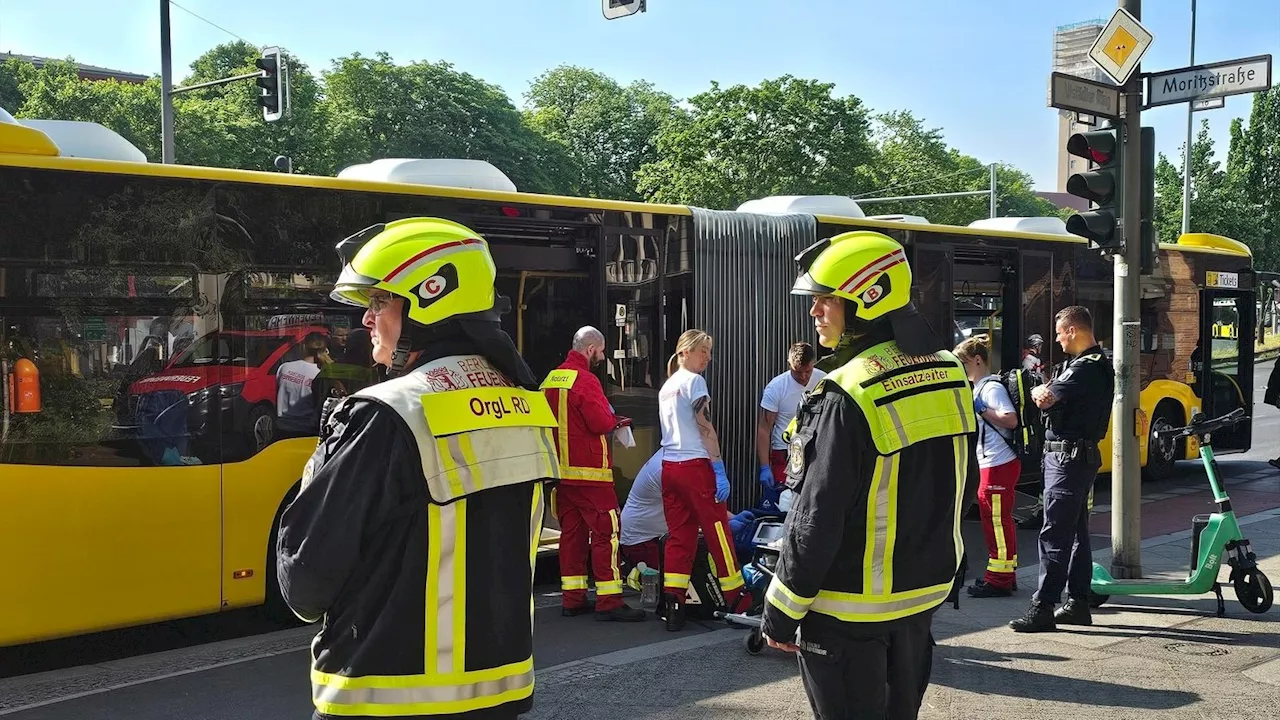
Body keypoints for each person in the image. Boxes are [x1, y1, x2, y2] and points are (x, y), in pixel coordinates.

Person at [275, 217, 558, 720]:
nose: (366, 320)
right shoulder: (527, 406)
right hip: (500, 697)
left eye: (379, 302)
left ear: (431, 302)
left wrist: (321, 460)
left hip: (383, 699)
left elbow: (305, 584)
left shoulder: (389, 413)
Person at [760, 230, 978, 719]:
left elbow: (817, 516)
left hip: (846, 611)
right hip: (920, 598)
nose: (815, 311)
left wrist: (781, 610)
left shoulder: (847, 392)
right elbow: (963, 484)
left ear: (867, 300)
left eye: (826, 300)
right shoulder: (949, 371)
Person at [1009, 305, 1113, 633]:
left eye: (1059, 333)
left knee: (1054, 533)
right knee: (1077, 533)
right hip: (1073, 458)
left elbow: (1045, 398)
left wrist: (1042, 391)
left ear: (1072, 330)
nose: (1057, 339)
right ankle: (1078, 602)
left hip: (1068, 460)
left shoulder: (1086, 366)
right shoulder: (1084, 364)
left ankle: (1043, 607)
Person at [541, 326, 645, 621]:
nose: (602, 356)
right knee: (606, 533)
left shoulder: (551, 378)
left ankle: (572, 598)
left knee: (571, 536)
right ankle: (609, 600)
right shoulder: (585, 380)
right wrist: (618, 420)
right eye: (600, 351)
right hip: (590, 476)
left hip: (562, 476)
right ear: (590, 350)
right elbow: (599, 422)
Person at [657, 329, 745, 631]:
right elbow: (704, 424)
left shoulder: (667, 386)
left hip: (669, 468)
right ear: (685, 352)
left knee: (680, 537)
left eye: (709, 350)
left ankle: (674, 603)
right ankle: (738, 599)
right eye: (702, 350)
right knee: (718, 531)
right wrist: (718, 467)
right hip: (695, 466)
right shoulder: (694, 382)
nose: (707, 356)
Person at [955, 336, 1021, 598]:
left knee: (995, 521)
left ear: (978, 360)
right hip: (994, 462)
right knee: (998, 520)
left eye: (964, 362)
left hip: (996, 463)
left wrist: (982, 410)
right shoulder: (981, 387)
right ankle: (1006, 573)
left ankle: (999, 580)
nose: (961, 367)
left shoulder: (990, 388)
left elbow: (1010, 419)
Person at [756, 342, 826, 511]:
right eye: (798, 372)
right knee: (784, 505)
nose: (803, 377)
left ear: (814, 364)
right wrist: (764, 466)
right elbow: (764, 428)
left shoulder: (824, 381)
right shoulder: (776, 387)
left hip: (815, 450)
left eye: (807, 371)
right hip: (785, 452)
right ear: (789, 364)